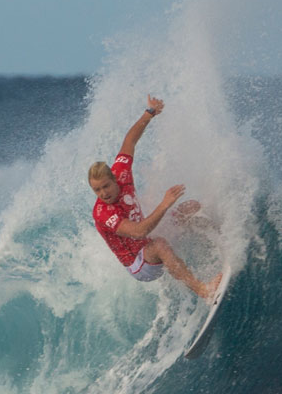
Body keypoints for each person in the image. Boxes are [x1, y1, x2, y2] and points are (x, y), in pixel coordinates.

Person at [89, 95, 222, 300]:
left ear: (114, 178)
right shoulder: (103, 213)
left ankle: (222, 242)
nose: (103, 193)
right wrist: (164, 204)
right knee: (159, 243)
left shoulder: (121, 171)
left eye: (105, 186)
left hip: (146, 242)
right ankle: (203, 291)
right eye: (97, 190)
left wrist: (149, 113)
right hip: (138, 264)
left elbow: (130, 140)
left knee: (191, 207)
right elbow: (139, 231)